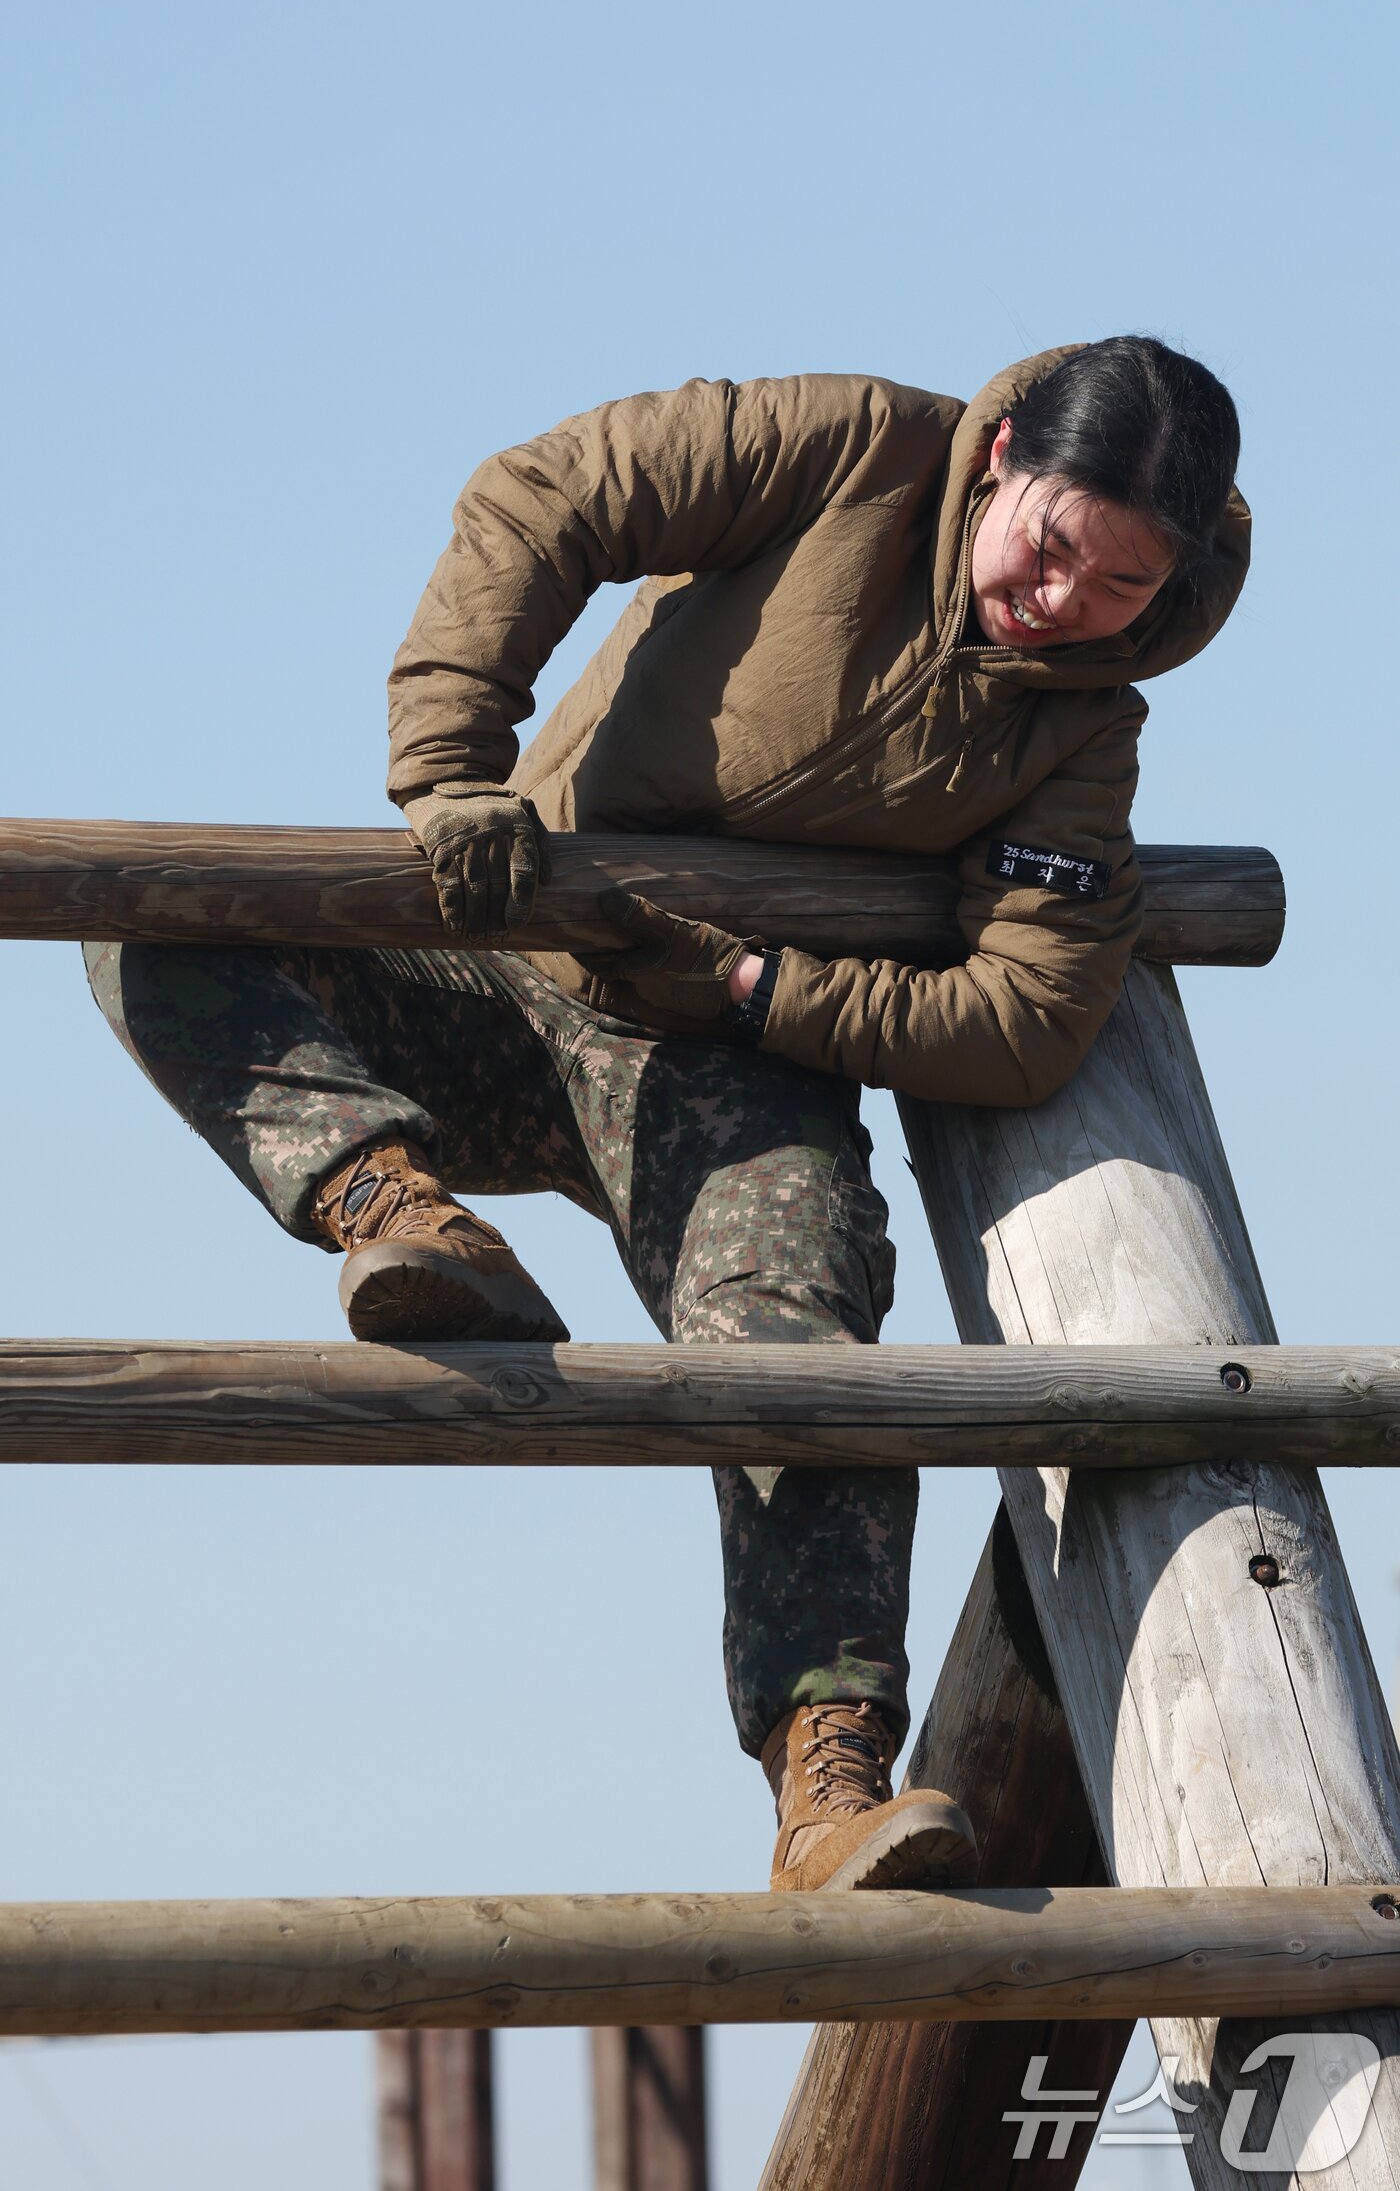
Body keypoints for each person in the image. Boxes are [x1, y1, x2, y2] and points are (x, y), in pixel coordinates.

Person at [84, 337, 1247, 1894]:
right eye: (1049, 547)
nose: (1058, 604)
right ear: (1004, 451)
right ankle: (391, 1206)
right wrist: (450, 773)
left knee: (807, 1330)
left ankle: (828, 1776)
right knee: (148, 920)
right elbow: (547, 491)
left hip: (722, 1061)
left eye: (1116, 589)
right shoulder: (843, 449)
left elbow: (1026, 1019)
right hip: (494, 960)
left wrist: (764, 992)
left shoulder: (1087, 739)